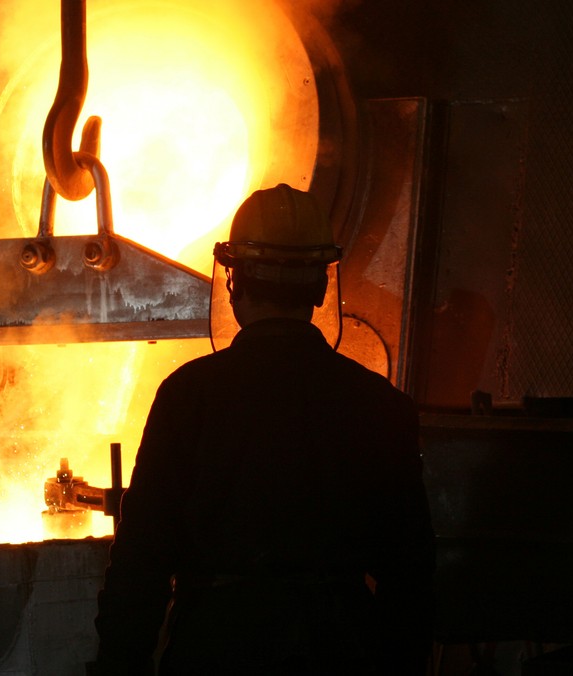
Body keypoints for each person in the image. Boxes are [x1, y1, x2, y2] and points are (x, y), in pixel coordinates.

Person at [87, 183, 435, 676]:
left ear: (235, 283)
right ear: (320, 287)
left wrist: (118, 666)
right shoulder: (380, 406)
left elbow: (140, 566)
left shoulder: (189, 397)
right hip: (340, 651)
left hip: (214, 652)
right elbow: (411, 578)